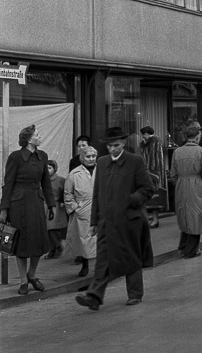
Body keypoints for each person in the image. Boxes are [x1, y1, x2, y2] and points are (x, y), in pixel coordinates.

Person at [75, 126, 154, 311]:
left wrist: (132, 199)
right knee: (103, 258)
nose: (113, 149)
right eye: (110, 146)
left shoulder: (135, 161)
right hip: (106, 222)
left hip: (129, 220)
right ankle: (94, 296)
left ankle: (135, 294)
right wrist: (94, 221)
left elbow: (148, 188)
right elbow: (97, 193)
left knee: (131, 256)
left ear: (124, 143)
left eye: (116, 145)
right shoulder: (101, 163)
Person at [0, 125, 55, 295]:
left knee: (38, 241)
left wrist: (51, 204)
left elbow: (46, 182)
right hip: (18, 204)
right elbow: (8, 184)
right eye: (37, 135)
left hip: (36, 202)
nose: (40, 137)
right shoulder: (15, 157)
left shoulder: (42, 156)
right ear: (29, 139)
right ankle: (23, 281)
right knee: (21, 243)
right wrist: (4, 209)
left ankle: (32, 274)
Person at [171, 122, 202, 259]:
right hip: (196, 183)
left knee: (184, 215)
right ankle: (191, 250)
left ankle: (183, 246)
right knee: (196, 216)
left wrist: (179, 183)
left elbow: (173, 174)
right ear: (197, 136)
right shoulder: (201, 151)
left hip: (181, 185)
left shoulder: (177, 151)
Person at [64, 146, 98, 277]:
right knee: (84, 239)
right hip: (83, 210)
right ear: (82, 158)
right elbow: (68, 194)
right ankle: (85, 265)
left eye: (93, 156)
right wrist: (75, 208)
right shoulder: (74, 174)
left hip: (100, 209)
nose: (91, 159)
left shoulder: (102, 171)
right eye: (88, 156)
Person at [139, 126, 165, 228]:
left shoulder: (155, 141)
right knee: (148, 197)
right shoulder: (148, 142)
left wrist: (152, 173)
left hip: (153, 173)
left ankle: (155, 219)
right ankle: (150, 219)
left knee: (155, 197)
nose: (142, 137)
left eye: (143, 134)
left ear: (146, 134)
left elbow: (154, 158)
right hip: (148, 173)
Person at [44, 160, 67, 258]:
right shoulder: (43, 179)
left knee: (53, 228)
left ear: (54, 168)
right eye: (46, 168)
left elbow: (65, 191)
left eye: (50, 168)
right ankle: (52, 249)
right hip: (45, 206)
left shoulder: (60, 180)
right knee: (48, 230)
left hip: (56, 206)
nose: (48, 170)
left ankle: (57, 247)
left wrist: (63, 201)